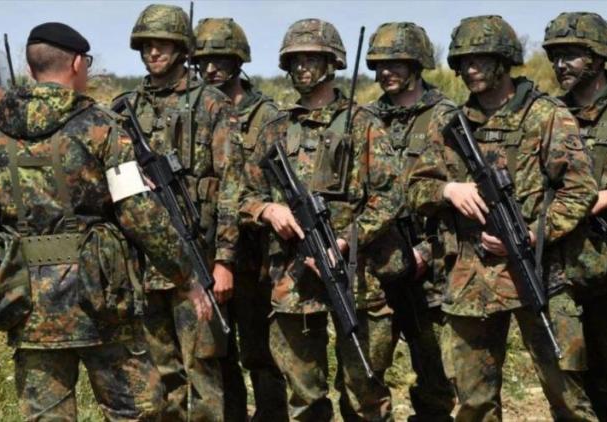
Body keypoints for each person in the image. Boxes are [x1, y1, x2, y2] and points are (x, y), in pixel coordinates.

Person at [0, 22, 209, 420]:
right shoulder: (102, 127)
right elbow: (139, 213)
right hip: (102, 301)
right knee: (136, 413)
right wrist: (186, 276)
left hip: (27, 306)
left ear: (31, 67)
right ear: (76, 63)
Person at [408, 14, 598, 421]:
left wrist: (535, 233)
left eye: (479, 59)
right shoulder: (449, 122)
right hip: (470, 279)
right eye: (463, 61)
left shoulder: (546, 116)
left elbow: (580, 189)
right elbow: (415, 187)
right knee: (474, 404)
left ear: (504, 61)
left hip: (539, 271)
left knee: (568, 397)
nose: (469, 69)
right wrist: (448, 190)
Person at [240, 18, 406, 421]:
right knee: (304, 397)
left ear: (333, 64)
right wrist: (268, 210)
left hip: (355, 276)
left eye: (312, 59)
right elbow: (242, 195)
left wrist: (346, 239)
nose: (302, 67)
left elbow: (390, 195)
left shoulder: (363, 124)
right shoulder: (275, 129)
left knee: (364, 390)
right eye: (295, 60)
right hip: (292, 279)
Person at [114, 5, 244, 420]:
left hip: (196, 259)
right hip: (144, 262)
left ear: (182, 48)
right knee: (160, 374)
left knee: (202, 369)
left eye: (163, 44)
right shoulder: (124, 109)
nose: (153, 52)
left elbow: (231, 186)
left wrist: (224, 260)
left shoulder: (211, 104)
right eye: (147, 45)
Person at [192, 17, 288, 422]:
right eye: (203, 61)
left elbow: (281, 183)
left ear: (239, 62)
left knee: (260, 352)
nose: (211, 69)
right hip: (206, 249)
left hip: (255, 256)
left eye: (221, 60)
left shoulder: (267, 116)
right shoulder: (196, 110)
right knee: (216, 353)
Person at [363, 21, 456, 421]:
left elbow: (458, 192)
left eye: (396, 63)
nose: (386, 72)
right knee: (368, 365)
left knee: (435, 369)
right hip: (377, 261)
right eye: (380, 65)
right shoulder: (365, 117)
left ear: (417, 64)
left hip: (429, 264)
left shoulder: (445, 115)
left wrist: (428, 249)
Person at [543, 12, 607, 420]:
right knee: (567, 378)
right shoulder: (550, 113)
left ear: (598, 57)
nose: (560, 65)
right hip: (562, 267)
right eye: (555, 56)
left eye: (571, 55)